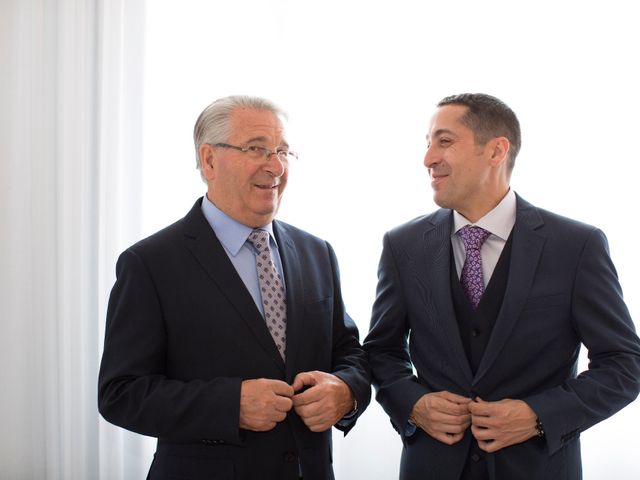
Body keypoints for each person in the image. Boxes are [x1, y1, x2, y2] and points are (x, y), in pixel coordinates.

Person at [363, 93, 640, 480]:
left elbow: (625, 365)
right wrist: (413, 403)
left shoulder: (576, 246)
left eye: (444, 141)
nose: (428, 158)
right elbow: (381, 350)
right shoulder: (402, 245)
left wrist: (539, 416)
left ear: (496, 151)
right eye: (427, 144)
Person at [98, 95, 370, 480]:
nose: (275, 166)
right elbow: (120, 394)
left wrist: (347, 392)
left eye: (283, 152)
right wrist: (231, 405)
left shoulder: (317, 252)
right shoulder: (150, 263)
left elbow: (349, 352)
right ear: (209, 160)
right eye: (257, 149)